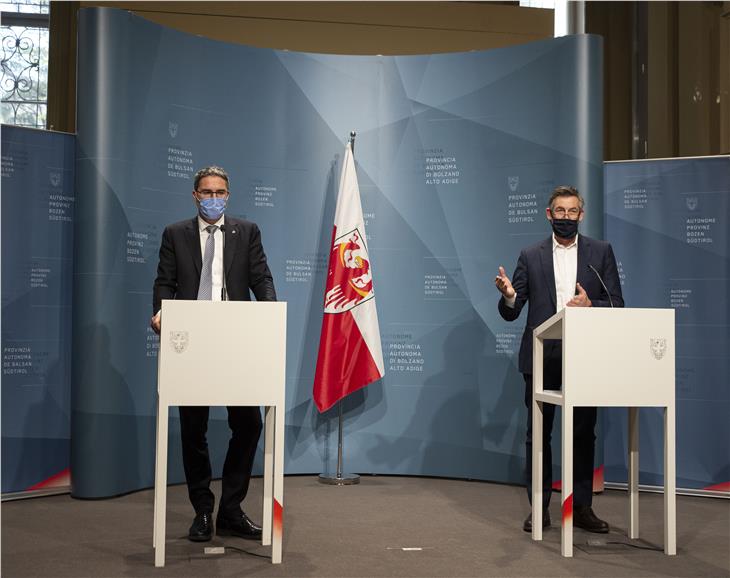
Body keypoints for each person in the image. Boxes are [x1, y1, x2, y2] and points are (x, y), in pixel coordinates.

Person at [151, 166, 277, 542]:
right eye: (206, 192)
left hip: (235, 342)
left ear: (229, 194)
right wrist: (160, 311)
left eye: (220, 192)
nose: (213, 198)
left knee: (250, 424)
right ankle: (203, 511)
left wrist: (270, 315)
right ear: (195, 196)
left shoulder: (247, 231)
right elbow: (164, 282)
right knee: (194, 428)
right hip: (193, 343)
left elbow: (261, 279)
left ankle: (232, 509)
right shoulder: (176, 234)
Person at [494, 185, 623, 533]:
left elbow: (617, 305)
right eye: (559, 212)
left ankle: (581, 506)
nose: (566, 218)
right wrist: (508, 296)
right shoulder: (529, 255)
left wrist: (591, 305)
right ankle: (541, 508)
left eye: (572, 212)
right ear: (549, 215)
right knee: (539, 433)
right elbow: (513, 310)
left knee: (583, 432)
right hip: (542, 353)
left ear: (581, 215)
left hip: (586, 354)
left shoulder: (601, 252)